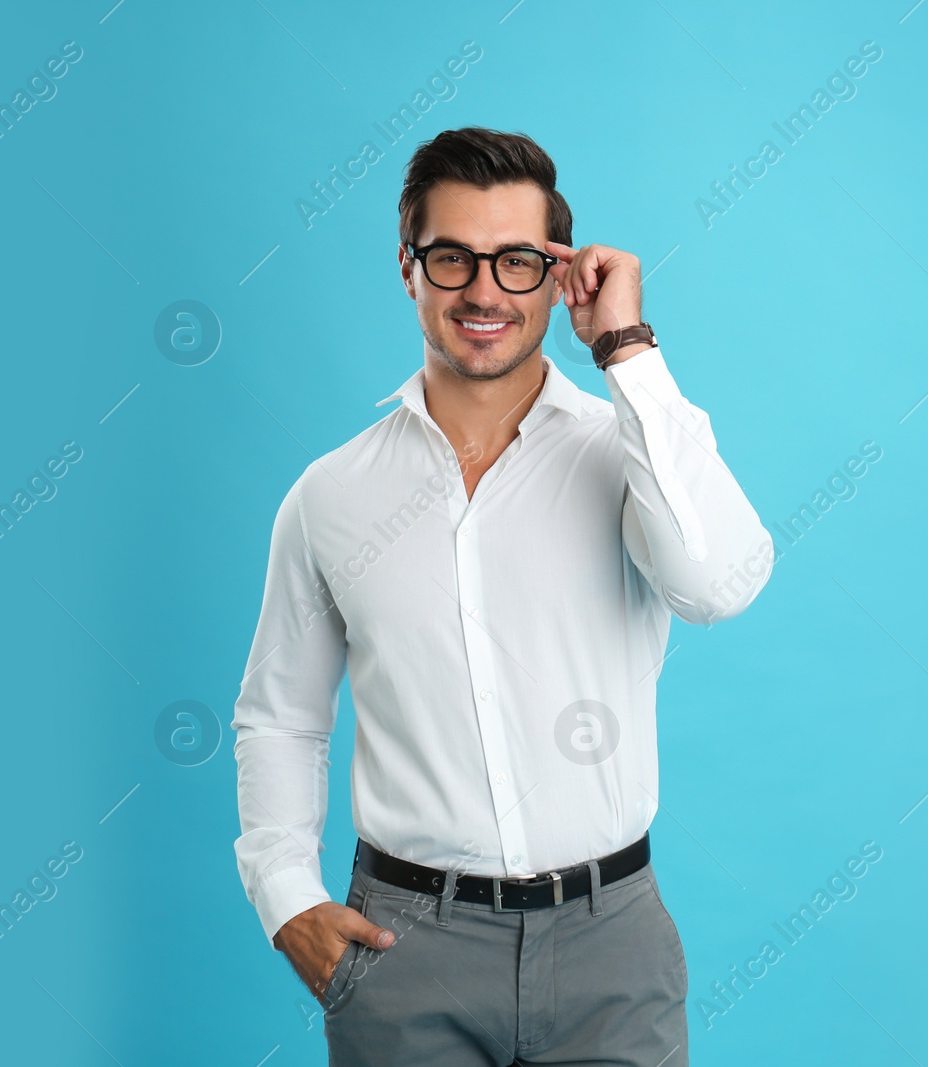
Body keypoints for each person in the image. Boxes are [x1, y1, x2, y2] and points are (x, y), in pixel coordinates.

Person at [230, 126, 773, 1066]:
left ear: (558, 276)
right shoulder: (329, 496)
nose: (484, 291)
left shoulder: (632, 453)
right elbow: (280, 716)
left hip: (613, 948)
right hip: (405, 951)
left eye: (517, 261)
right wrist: (286, 897)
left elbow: (717, 584)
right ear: (409, 270)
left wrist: (628, 348)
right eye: (453, 258)